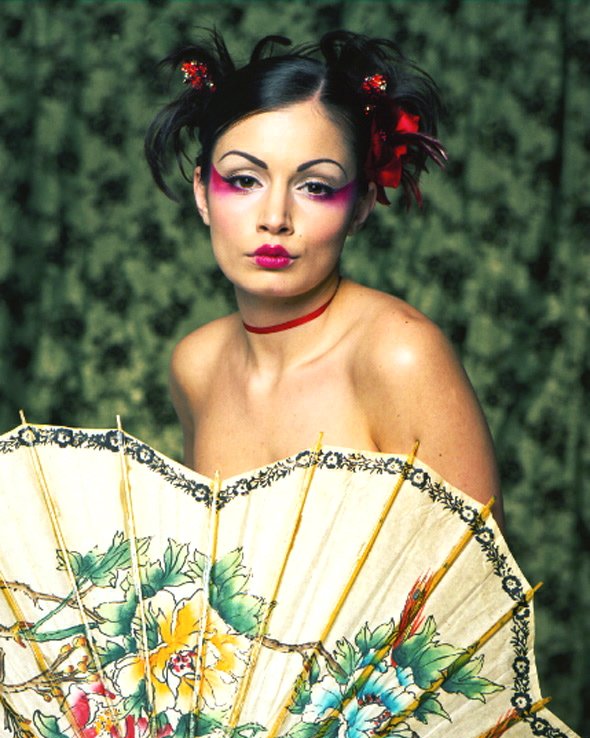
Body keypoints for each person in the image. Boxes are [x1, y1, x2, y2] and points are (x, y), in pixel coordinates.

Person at [145, 30, 504, 528]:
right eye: (245, 180)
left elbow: (478, 574)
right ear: (203, 192)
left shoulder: (401, 356)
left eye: (315, 187)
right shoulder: (197, 365)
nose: (275, 218)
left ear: (360, 206)